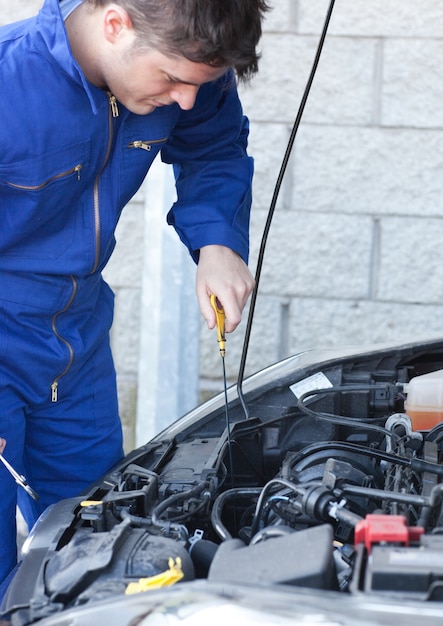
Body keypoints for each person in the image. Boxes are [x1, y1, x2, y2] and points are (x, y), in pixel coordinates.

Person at [0, 0, 269, 590]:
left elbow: (214, 148)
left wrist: (218, 243)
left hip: (77, 344)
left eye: (203, 84)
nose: (187, 100)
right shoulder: (7, 83)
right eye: (174, 79)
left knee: (101, 542)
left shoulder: (185, 69)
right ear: (116, 24)